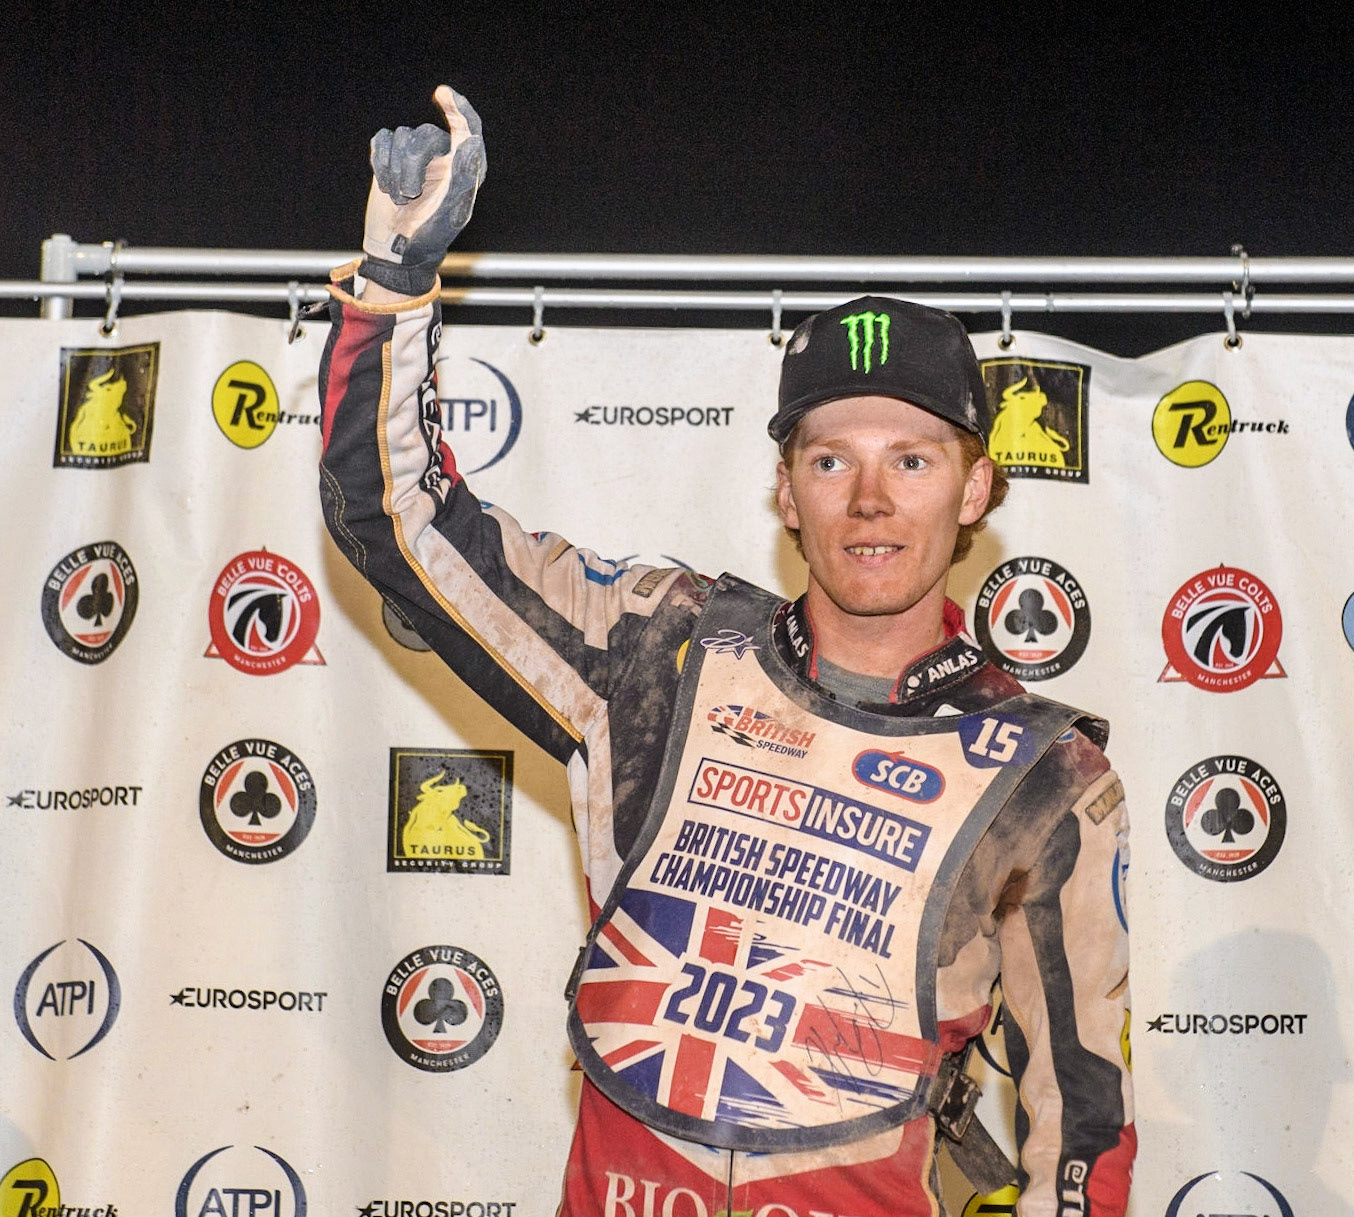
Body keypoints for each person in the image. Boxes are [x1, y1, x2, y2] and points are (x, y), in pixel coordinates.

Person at [320, 86, 1134, 1217]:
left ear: (977, 487)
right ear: (787, 491)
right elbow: (398, 522)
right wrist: (396, 280)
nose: (869, 500)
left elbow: (1082, 1111)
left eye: (913, 459)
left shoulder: (1044, 771)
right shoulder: (665, 647)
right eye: (830, 458)